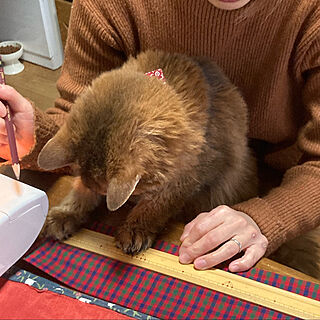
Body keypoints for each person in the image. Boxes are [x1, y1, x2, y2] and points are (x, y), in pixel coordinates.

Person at [1, 0, 320, 273]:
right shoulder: (113, 7)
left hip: (278, 183)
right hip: (127, 182)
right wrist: (30, 134)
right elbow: (76, 114)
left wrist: (269, 217)